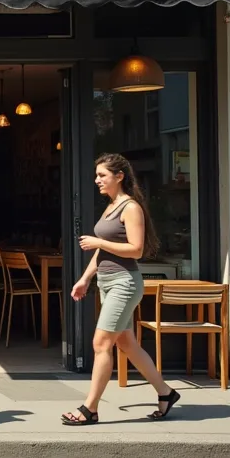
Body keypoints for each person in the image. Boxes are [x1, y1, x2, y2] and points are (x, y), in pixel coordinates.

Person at [62, 154, 178, 425]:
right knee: (128, 344)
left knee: (100, 344)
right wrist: (85, 279)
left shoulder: (130, 208)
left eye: (102, 175)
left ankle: (89, 409)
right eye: (97, 175)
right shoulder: (111, 206)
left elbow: (135, 250)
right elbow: (102, 249)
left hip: (124, 283)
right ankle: (166, 392)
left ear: (119, 176)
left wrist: (96, 242)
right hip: (107, 282)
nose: (97, 180)